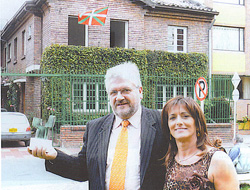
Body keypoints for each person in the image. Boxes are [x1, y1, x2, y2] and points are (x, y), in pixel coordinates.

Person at [28, 62, 168, 190]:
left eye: (125, 90)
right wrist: (54, 156)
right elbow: (82, 170)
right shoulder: (95, 128)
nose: (119, 97)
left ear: (140, 91)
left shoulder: (162, 123)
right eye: (113, 92)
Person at [161, 96, 239, 190]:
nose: (179, 122)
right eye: (172, 118)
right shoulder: (169, 159)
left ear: (197, 124)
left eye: (185, 116)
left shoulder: (218, 161)